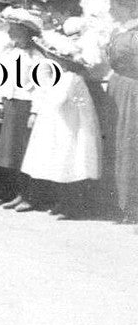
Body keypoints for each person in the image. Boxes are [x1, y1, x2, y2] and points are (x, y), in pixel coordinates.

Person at [24, 35, 100, 215]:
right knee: (58, 161)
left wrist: (46, 90)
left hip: (72, 126)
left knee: (70, 160)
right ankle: (62, 202)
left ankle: (72, 205)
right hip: (60, 123)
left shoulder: (70, 78)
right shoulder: (60, 77)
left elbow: (58, 100)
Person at [0, 7, 46, 211]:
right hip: (11, 104)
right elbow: (3, 79)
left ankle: (31, 196)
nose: (9, 32)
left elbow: (41, 86)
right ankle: (20, 193)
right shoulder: (10, 52)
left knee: (25, 152)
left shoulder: (36, 56)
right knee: (12, 154)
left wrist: (35, 111)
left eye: (14, 28)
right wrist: (0, 101)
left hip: (25, 106)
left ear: (25, 30)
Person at [105, 0, 138, 224]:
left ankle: (132, 206)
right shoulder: (121, 31)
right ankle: (122, 203)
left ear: (128, 7)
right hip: (119, 88)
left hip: (132, 90)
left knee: (130, 144)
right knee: (119, 142)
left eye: (114, 6)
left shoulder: (135, 33)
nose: (110, 11)